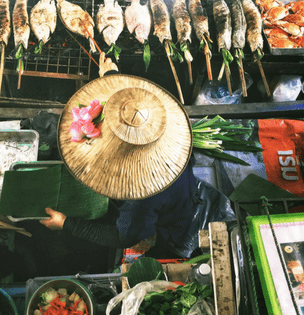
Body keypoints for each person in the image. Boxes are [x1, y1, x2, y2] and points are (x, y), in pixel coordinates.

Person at [40, 53, 229, 261]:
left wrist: (67, 223)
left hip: (179, 224)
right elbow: (131, 114)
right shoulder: (158, 122)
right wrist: (111, 76)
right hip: (182, 188)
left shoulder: (139, 195)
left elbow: (123, 238)